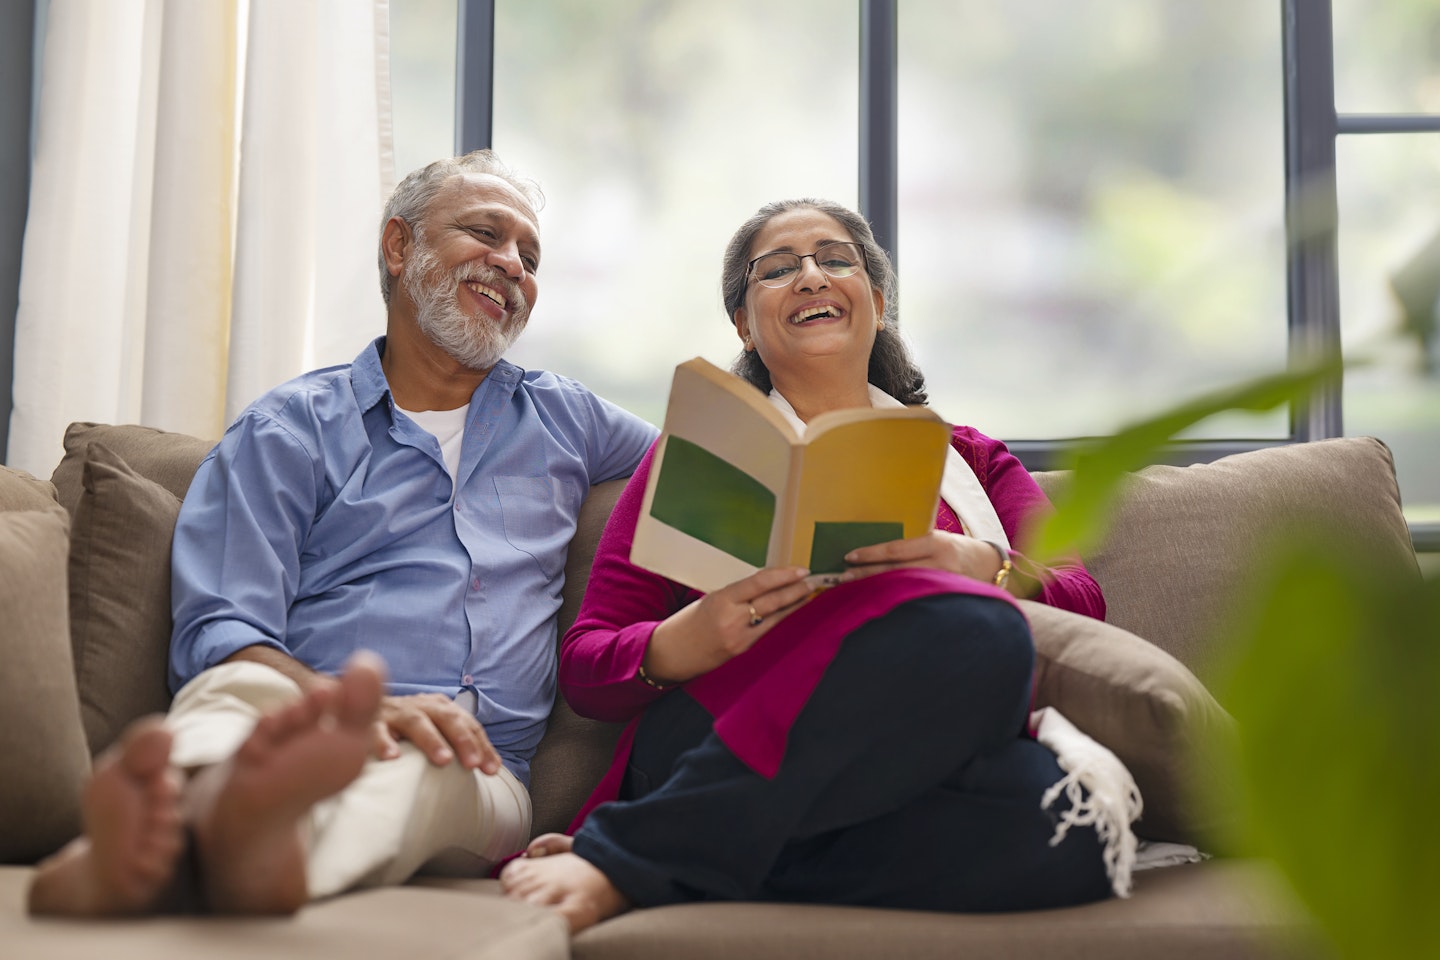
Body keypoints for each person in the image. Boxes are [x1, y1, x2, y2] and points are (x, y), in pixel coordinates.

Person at [27, 150, 659, 916]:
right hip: (300, 703)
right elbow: (222, 628)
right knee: (234, 693)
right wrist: (339, 705)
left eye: (530, 256)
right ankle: (170, 827)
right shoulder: (288, 429)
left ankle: (230, 849)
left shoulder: (571, 418)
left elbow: (709, 464)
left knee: (430, 759)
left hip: (470, 761)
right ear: (400, 247)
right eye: (486, 234)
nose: (513, 266)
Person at [500, 198, 1137, 932]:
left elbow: (1083, 605)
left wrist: (980, 564)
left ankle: (676, 858)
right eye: (776, 270)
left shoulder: (973, 459)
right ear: (743, 321)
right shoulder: (691, 462)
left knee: (1075, 833)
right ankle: (641, 852)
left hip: (926, 747)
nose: (810, 277)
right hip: (719, 731)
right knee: (981, 631)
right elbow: (586, 668)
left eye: (837, 260)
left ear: (878, 300)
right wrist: (685, 638)